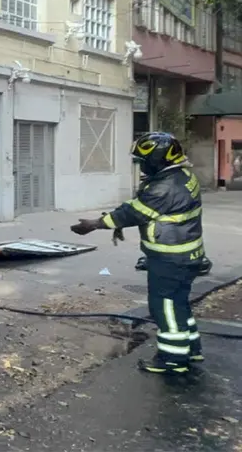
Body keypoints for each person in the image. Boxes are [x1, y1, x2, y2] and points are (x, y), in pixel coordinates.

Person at [70, 132, 205, 374]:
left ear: (158, 159)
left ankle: (172, 360)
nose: (141, 166)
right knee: (179, 304)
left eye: (144, 161)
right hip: (186, 255)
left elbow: (133, 213)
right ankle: (191, 349)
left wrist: (95, 224)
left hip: (171, 259)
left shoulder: (164, 186)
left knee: (164, 307)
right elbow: (139, 208)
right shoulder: (182, 176)